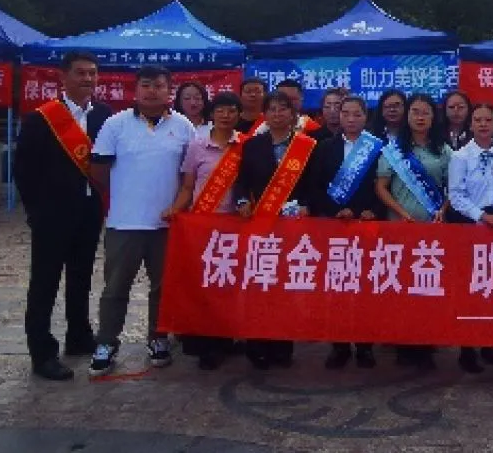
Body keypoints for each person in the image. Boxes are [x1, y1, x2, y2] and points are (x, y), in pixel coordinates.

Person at [88, 65, 196, 377]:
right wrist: (126, 195)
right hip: (124, 223)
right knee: (115, 288)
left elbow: (189, 175)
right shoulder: (116, 124)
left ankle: (158, 338)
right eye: (146, 85)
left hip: (167, 225)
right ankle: (106, 343)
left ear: (169, 91)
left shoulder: (183, 126)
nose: (152, 91)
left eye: (159, 85)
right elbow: (98, 170)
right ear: (135, 90)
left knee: (162, 288)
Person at [15, 51, 113, 381]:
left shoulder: (104, 115)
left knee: (81, 277)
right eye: (81, 73)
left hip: (89, 210)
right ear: (64, 76)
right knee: (44, 282)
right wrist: (36, 212)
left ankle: (79, 335)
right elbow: (24, 171)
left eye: (93, 73)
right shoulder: (42, 118)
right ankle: (42, 352)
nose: (88, 79)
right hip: (52, 215)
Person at [236, 90, 322, 370]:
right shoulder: (253, 145)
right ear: (264, 114)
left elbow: (314, 185)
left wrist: (307, 205)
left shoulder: (306, 146)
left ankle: (283, 345)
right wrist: (241, 201)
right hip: (260, 224)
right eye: (271, 109)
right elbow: (242, 181)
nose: (277, 114)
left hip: (292, 225)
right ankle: (257, 344)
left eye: (283, 109)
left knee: (285, 286)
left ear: (293, 114)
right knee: (259, 284)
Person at [161, 91, 244, 370]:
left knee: (228, 286)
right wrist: (176, 209)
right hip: (203, 226)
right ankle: (205, 344)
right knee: (204, 286)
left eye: (231, 110)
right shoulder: (197, 146)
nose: (226, 115)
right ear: (212, 114)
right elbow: (188, 186)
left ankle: (226, 339)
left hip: (235, 227)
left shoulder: (245, 146)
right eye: (220, 110)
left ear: (238, 115)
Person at [375, 93, 453, 370]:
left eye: (425, 112)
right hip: (400, 226)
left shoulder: (444, 150)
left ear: (433, 117)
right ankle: (404, 343)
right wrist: (400, 211)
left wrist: (443, 209)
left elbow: (454, 187)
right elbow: (381, 186)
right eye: (415, 112)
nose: (420, 117)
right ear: (407, 116)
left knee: (428, 286)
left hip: (432, 229)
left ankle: (426, 343)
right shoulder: (394, 149)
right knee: (401, 286)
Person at [314, 95, 385, 370]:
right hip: (336, 227)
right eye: (346, 113)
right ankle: (339, 345)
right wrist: (334, 210)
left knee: (366, 288)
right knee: (337, 289)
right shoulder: (324, 147)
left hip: (368, 225)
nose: (351, 119)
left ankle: (365, 346)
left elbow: (385, 186)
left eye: (357, 114)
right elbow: (316, 187)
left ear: (366, 117)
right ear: (339, 115)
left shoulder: (378, 147)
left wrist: (373, 210)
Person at [448, 102, 493, 373]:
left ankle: (489, 344)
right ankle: (467, 349)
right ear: (470, 124)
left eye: (488, 120)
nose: (483, 124)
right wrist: (480, 215)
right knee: (469, 289)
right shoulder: (460, 157)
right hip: (470, 224)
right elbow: (455, 195)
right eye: (478, 120)